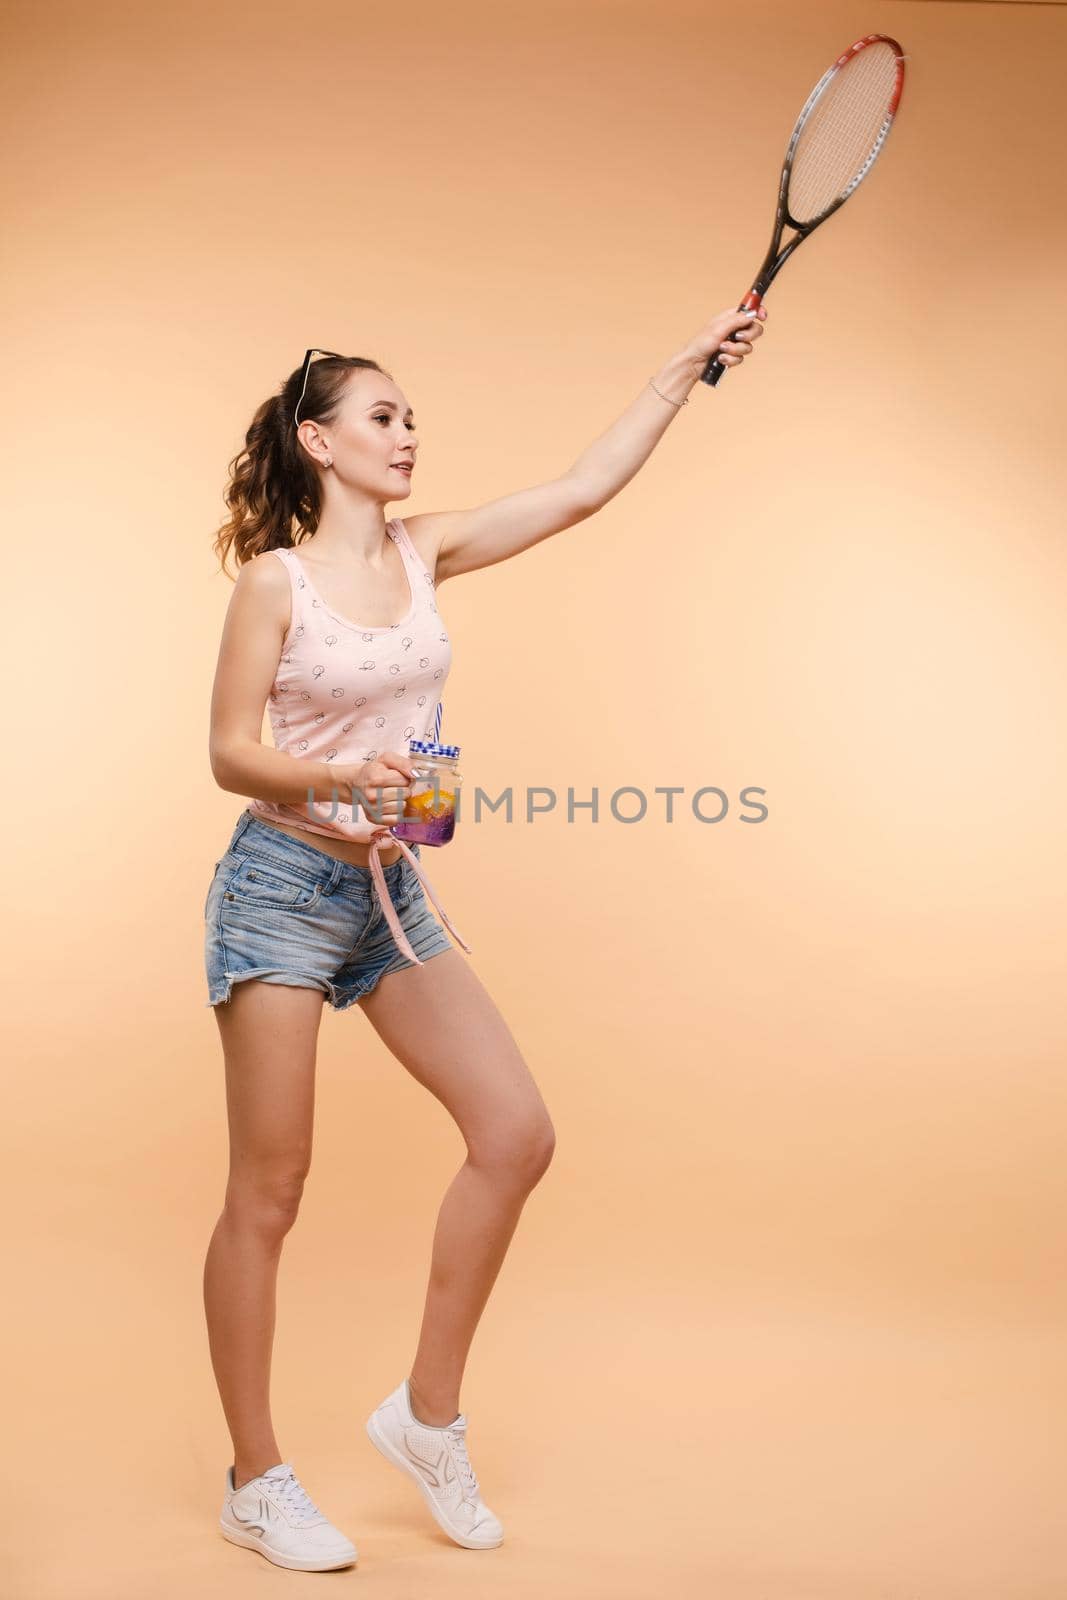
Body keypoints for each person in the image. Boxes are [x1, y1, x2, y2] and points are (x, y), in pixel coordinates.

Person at [202, 309, 767, 1572]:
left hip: (391, 893)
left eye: (410, 418)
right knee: (270, 1190)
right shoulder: (274, 581)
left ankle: (424, 1416)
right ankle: (255, 1476)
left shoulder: (424, 550)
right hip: (283, 886)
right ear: (318, 441)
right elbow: (230, 750)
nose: (407, 436)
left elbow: (576, 492)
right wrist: (351, 782)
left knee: (515, 1134)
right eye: (382, 417)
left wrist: (672, 375)